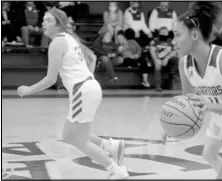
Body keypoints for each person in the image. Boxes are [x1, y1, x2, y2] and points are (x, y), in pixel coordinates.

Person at [17, 8, 129, 179]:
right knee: (70, 134)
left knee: (78, 139)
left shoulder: (57, 43)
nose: (43, 23)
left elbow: (50, 79)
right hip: (89, 87)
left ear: (58, 24)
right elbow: (91, 57)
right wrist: (87, 78)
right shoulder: (69, 38)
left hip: (82, 91)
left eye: (48, 21)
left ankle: (116, 170)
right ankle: (110, 146)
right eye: (44, 20)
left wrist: (28, 90)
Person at [173, 2, 222, 179]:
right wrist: (171, 121)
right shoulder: (184, 63)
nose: (173, 41)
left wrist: (209, 106)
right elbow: (189, 102)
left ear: (194, 35)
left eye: (177, 35)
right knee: (209, 154)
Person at [149, 26, 178, 91]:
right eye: (162, 32)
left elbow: (175, 51)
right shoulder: (155, 41)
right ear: (159, 33)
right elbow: (152, 50)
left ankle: (175, 81)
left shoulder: (172, 41)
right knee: (157, 64)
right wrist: (156, 59)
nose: (163, 33)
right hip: (157, 59)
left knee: (177, 59)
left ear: (168, 33)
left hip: (168, 60)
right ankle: (158, 86)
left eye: (165, 32)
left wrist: (167, 58)